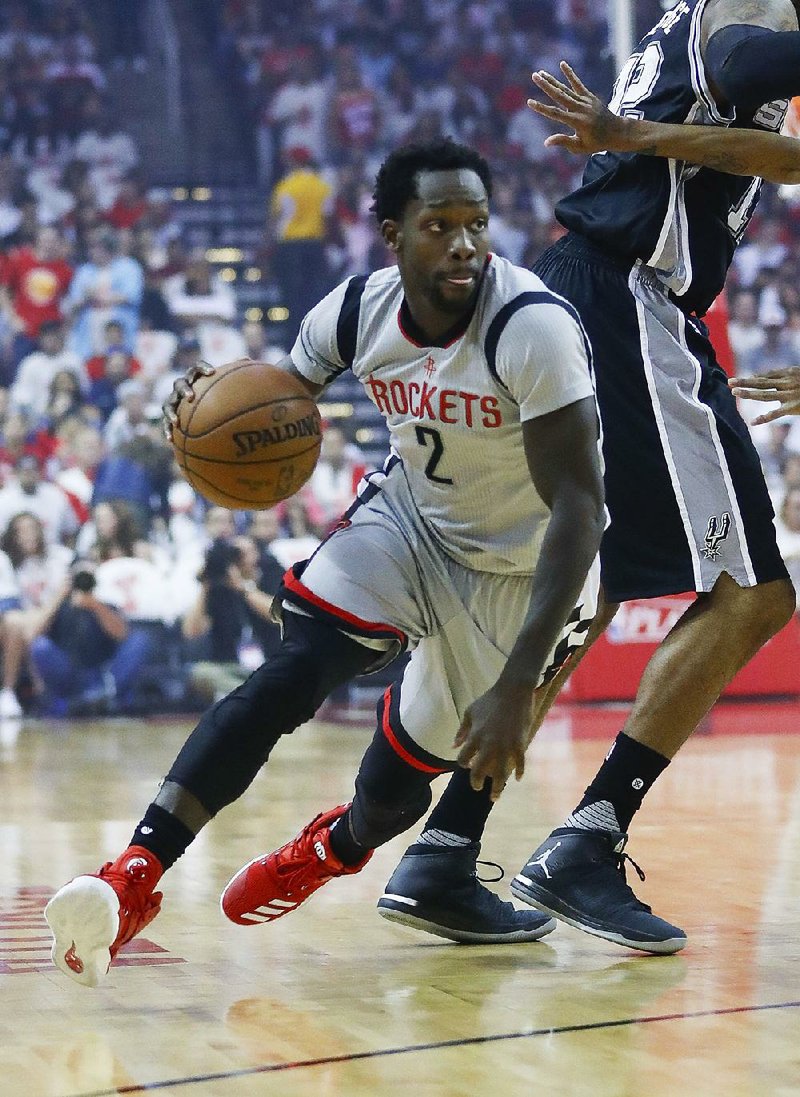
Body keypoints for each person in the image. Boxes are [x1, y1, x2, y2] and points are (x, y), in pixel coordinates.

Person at [44, 138, 605, 986]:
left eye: (477, 224)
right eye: (439, 224)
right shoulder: (352, 313)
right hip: (413, 521)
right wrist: (207, 401)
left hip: (523, 568)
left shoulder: (532, 328)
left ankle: (332, 846)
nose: (464, 243)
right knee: (294, 670)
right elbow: (275, 403)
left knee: (391, 790)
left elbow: (581, 507)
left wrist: (520, 682)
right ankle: (135, 876)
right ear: (392, 233)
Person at [497, 0, 800, 952]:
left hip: (590, 288)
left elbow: (772, 154)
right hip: (632, 298)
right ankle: (582, 841)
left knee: (589, 592)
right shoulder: (746, 28)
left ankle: (443, 843)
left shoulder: (690, 26)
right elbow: (779, 127)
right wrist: (633, 136)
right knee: (753, 594)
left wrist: (633, 135)